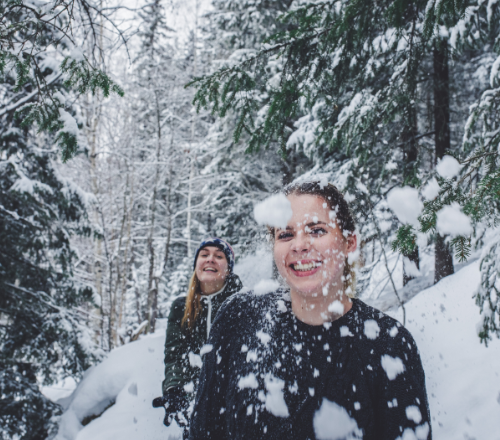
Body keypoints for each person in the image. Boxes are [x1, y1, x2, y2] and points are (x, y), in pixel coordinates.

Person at [189, 182, 431, 440]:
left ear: (349, 243)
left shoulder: (389, 344)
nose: (300, 245)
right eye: (285, 234)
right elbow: (203, 431)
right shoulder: (239, 316)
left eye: (316, 230)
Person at [152, 238, 243, 438]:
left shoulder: (241, 304)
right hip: (196, 406)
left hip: (236, 407)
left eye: (219, 256)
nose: (210, 259)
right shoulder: (180, 308)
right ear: (196, 265)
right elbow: (175, 354)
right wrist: (174, 388)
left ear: (228, 269)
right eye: (204, 255)